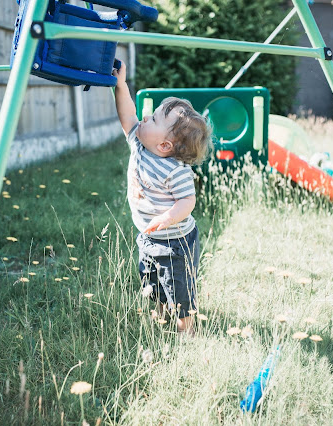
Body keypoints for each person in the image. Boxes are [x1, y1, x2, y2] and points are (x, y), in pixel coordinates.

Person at [112, 61, 213, 334]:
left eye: (154, 119)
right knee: (152, 280)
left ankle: (186, 330)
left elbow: (187, 202)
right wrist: (120, 86)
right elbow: (128, 117)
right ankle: (161, 314)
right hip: (148, 236)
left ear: (165, 145)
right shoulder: (139, 144)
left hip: (176, 241)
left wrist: (166, 218)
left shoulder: (175, 171)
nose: (145, 118)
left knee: (179, 287)